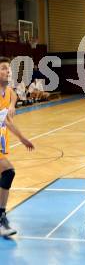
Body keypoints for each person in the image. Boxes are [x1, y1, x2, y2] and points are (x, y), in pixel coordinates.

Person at [0, 57, 34, 236]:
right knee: (8, 171)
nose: (8, 71)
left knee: (7, 173)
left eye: (8, 69)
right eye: (4, 68)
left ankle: (1, 217)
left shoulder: (8, 92)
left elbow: (7, 119)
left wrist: (22, 139)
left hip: (1, 141)